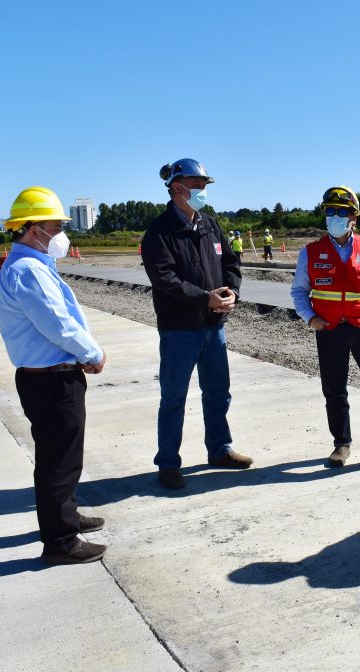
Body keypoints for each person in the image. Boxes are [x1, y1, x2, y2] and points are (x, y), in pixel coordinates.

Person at [0, 186, 108, 565]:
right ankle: (61, 541)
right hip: (52, 379)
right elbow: (57, 325)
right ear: (31, 229)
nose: (60, 233)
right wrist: (92, 353)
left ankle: (68, 516)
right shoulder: (28, 271)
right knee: (58, 462)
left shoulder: (33, 266)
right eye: (55, 226)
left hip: (49, 376)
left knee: (63, 457)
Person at [142, 158, 251, 490]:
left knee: (218, 393)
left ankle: (219, 450)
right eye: (198, 185)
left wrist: (231, 291)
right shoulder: (159, 232)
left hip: (214, 327)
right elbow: (165, 279)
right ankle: (168, 463)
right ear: (178, 188)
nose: (203, 191)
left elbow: (231, 261)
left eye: (204, 185)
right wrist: (206, 297)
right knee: (174, 397)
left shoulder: (210, 225)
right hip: (179, 331)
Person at [290, 186, 360, 469]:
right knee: (334, 390)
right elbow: (299, 291)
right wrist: (310, 318)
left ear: (354, 217)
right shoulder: (311, 252)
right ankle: (342, 444)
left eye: (341, 212)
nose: (335, 217)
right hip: (329, 331)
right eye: (330, 211)